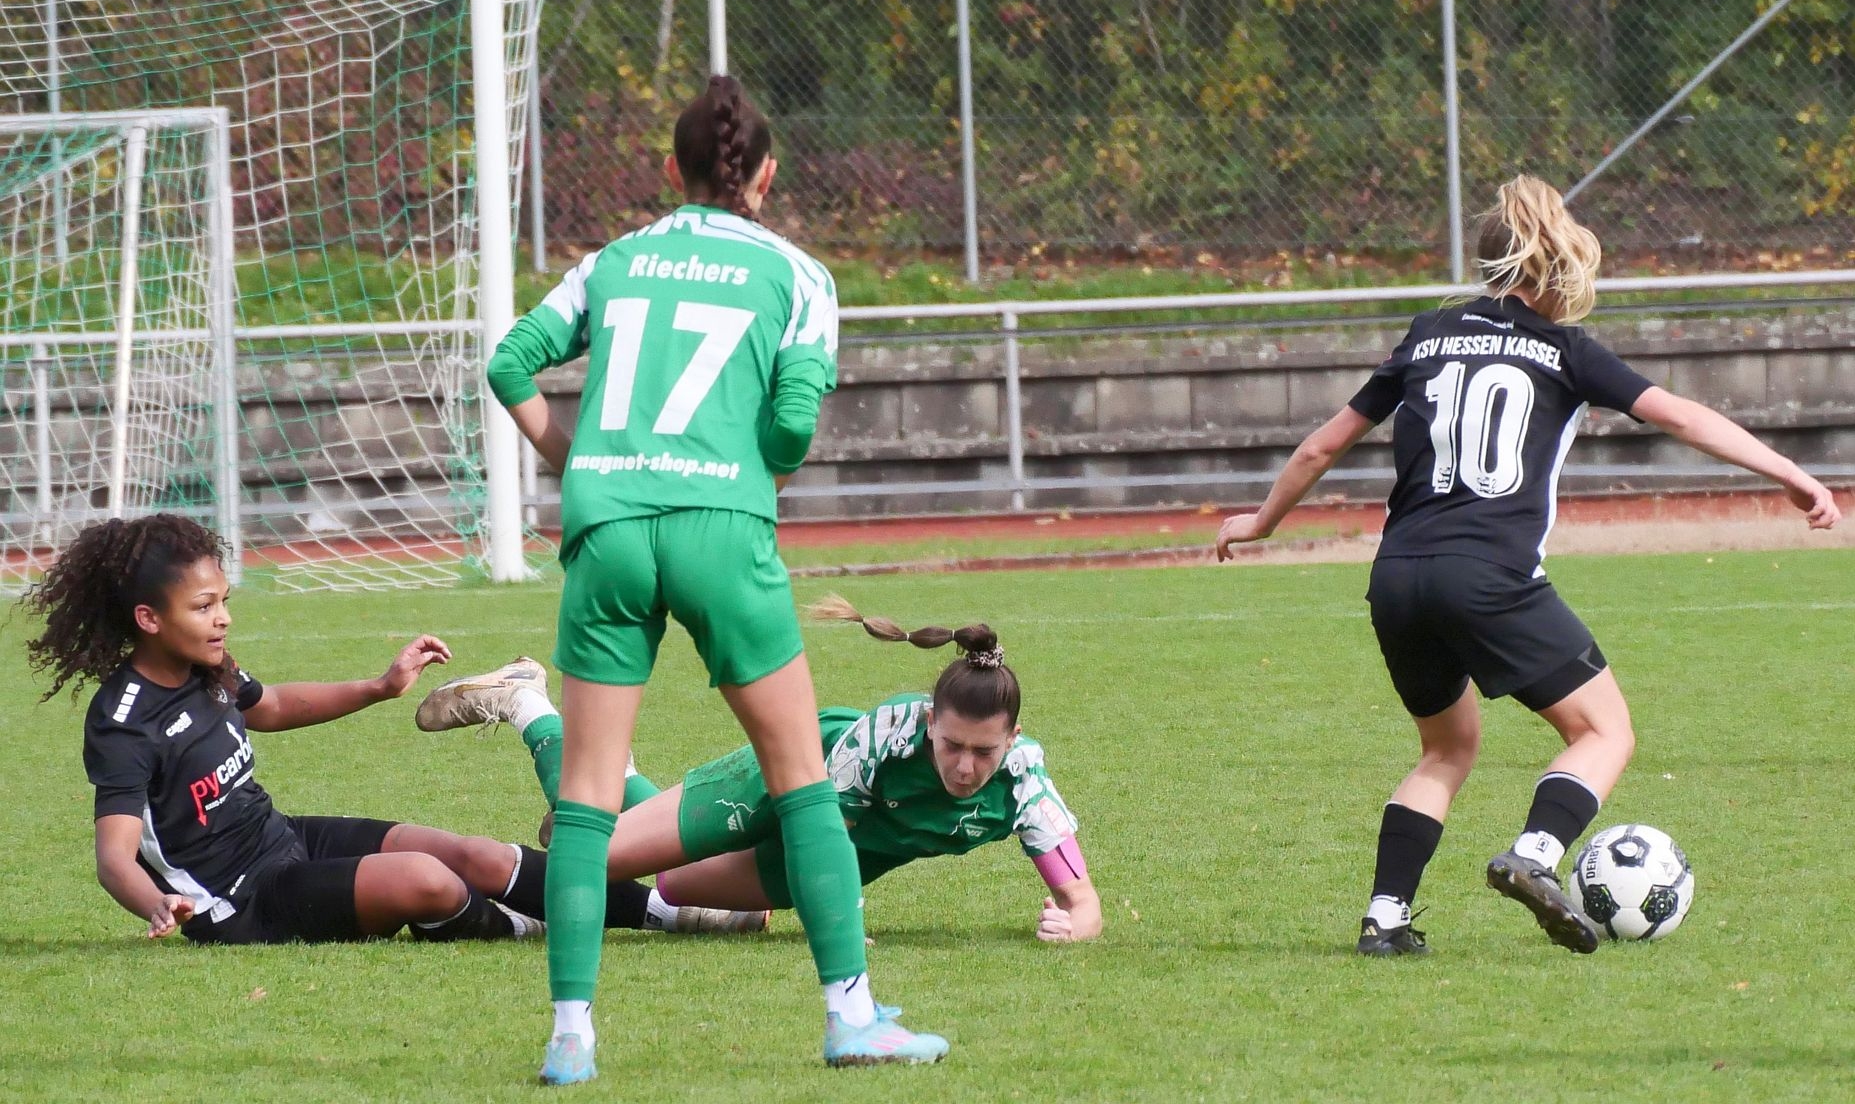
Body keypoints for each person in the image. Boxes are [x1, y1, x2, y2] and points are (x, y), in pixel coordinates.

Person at [1213, 175, 1840, 957]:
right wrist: (1790, 473)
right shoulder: (1565, 349)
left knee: (1446, 749)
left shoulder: (1427, 334)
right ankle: (1536, 854)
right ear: (1555, 267)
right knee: (1604, 731)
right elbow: (1680, 416)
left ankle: (1385, 919)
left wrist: (1262, 522)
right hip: (1488, 575)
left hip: (1397, 576)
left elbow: (1321, 447)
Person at [486, 75, 943, 1084]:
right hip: (722, 530)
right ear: (766, 174)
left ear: (672, 169)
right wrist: (743, 474)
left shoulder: (612, 261)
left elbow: (510, 361)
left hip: (607, 527)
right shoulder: (800, 274)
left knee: (588, 800)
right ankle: (851, 1016)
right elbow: (790, 428)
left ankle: (571, 1037)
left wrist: (581, 460)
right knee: (800, 777)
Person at [24, 514, 748, 948]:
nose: (223, 618)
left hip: (283, 838)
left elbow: (272, 705)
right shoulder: (123, 722)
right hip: (240, 901)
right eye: (204, 606)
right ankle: (517, 927)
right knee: (427, 880)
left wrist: (379, 685)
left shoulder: (208, 666)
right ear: (149, 619)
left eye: (223, 601)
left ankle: (667, 912)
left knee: (471, 853)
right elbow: (115, 856)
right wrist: (157, 905)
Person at [414, 598, 1101, 944]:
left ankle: (616, 780)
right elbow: (822, 832)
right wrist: (841, 921)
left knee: (675, 887)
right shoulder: (885, 736)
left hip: (821, 856)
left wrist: (1074, 927)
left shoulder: (1025, 785)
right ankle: (527, 703)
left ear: (1012, 740)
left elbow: (1084, 902)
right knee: (593, 854)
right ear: (929, 722)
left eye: (984, 752)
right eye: (952, 745)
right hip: (780, 785)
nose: (966, 765)